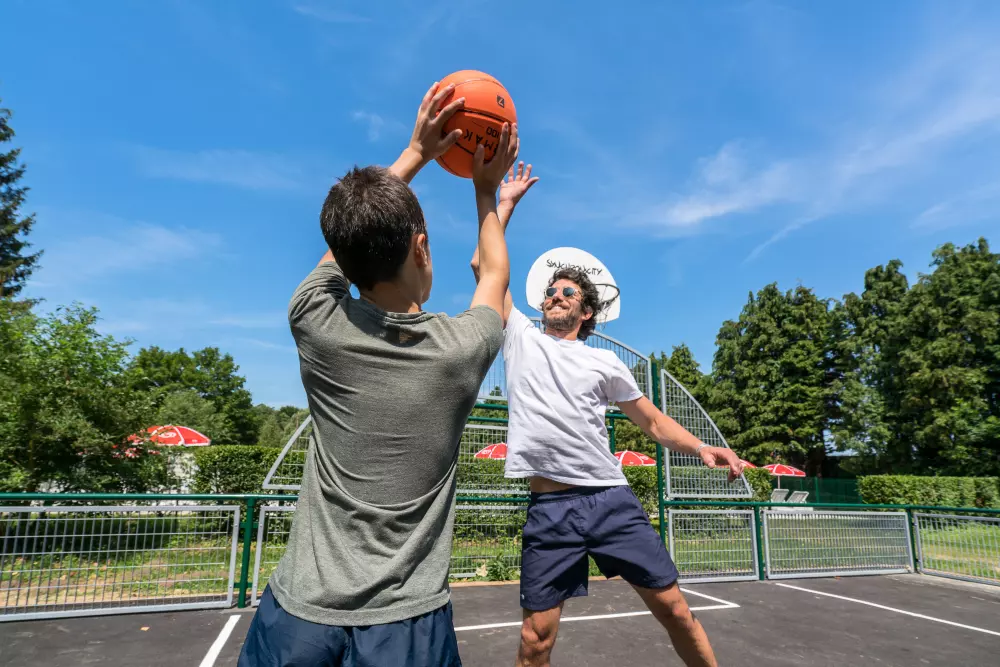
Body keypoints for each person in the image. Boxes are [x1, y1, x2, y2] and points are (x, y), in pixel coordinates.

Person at [238, 81, 521, 667]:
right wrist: (486, 192)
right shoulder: (459, 350)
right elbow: (495, 273)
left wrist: (415, 153)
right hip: (406, 626)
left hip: (297, 618)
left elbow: (341, 247)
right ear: (421, 248)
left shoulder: (315, 321)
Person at [469, 167, 745, 667]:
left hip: (609, 501)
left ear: (586, 314)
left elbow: (654, 423)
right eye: (552, 291)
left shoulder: (605, 363)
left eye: (568, 293)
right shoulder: (520, 336)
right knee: (535, 639)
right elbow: (483, 265)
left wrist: (702, 446)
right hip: (550, 510)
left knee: (676, 612)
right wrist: (502, 204)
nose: (556, 295)